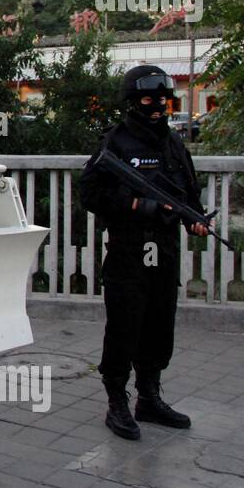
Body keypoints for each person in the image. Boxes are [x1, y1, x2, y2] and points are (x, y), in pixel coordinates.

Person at [78, 64, 209, 441]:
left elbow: (188, 193)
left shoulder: (173, 143)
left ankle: (148, 397)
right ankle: (117, 400)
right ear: (133, 102)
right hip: (129, 249)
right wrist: (137, 206)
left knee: (158, 323)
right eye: (149, 100)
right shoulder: (115, 143)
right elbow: (91, 194)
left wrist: (194, 220)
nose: (158, 107)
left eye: (164, 100)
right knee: (124, 324)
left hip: (164, 249)